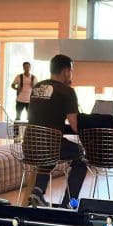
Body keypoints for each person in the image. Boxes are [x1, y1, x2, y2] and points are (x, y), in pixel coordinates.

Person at [27, 54, 88, 207]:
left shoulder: (37, 87)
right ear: (66, 71)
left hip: (29, 144)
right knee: (81, 155)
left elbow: (43, 116)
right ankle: (68, 203)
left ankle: (38, 190)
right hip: (50, 146)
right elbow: (75, 124)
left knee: (49, 153)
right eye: (71, 71)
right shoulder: (66, 91)